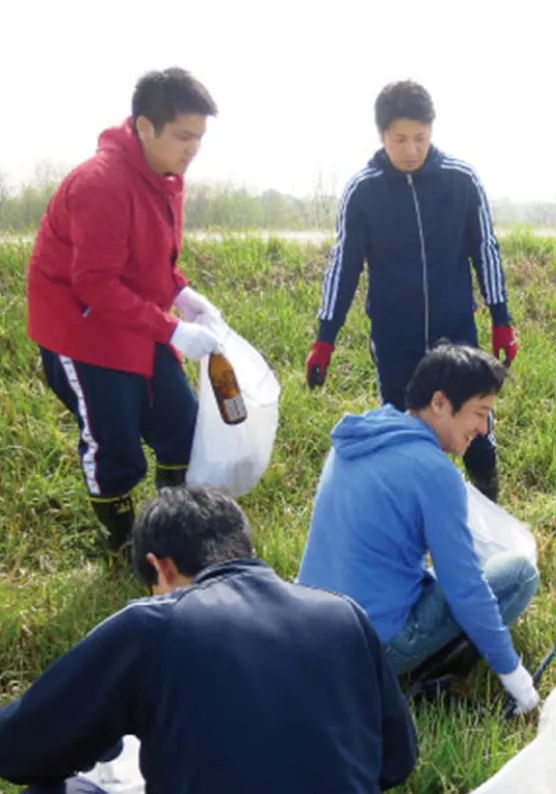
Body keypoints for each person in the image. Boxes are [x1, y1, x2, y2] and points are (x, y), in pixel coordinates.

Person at [0, 487, 418, 793]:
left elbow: (17, 749)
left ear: (160, 568)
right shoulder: (344, 613)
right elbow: (397, 760)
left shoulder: (153, 625)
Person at [24, 67, 228, 553]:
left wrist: (181, 294)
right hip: (83, 331)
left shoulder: (166, 179)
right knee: (113, 440)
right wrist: (173, 331)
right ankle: (125, 544)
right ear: (144, 127)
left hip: (137, 319)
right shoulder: (100, 184)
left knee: (180, 420)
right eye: (183, 136)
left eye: (199, 138)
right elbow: (94, 284)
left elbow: (150, 262)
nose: (193, 149)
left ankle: (174, 531)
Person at [296, 343, 541, 713]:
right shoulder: (433, 472)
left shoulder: (359, 437)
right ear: (439, 403)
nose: (483, 428)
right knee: (519, 574)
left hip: (310, 630)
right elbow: (465, 588)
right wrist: (515, 676)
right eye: (479, 413)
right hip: (371, 649)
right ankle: (430, 676)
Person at [304, 79, 517, 502]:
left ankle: (488, 506)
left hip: (455, 332)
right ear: (381, 135)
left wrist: (501, 321)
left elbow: (486, 251)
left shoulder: (461, 181)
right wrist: (324, 339)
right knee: (404, 433)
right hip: (395, 337)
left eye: (420, 137)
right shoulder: (364, 191)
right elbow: (343, 267)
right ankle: (412, 513)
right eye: (400, 139)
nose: (411, 150)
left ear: (432, 130)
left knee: (474, 426)